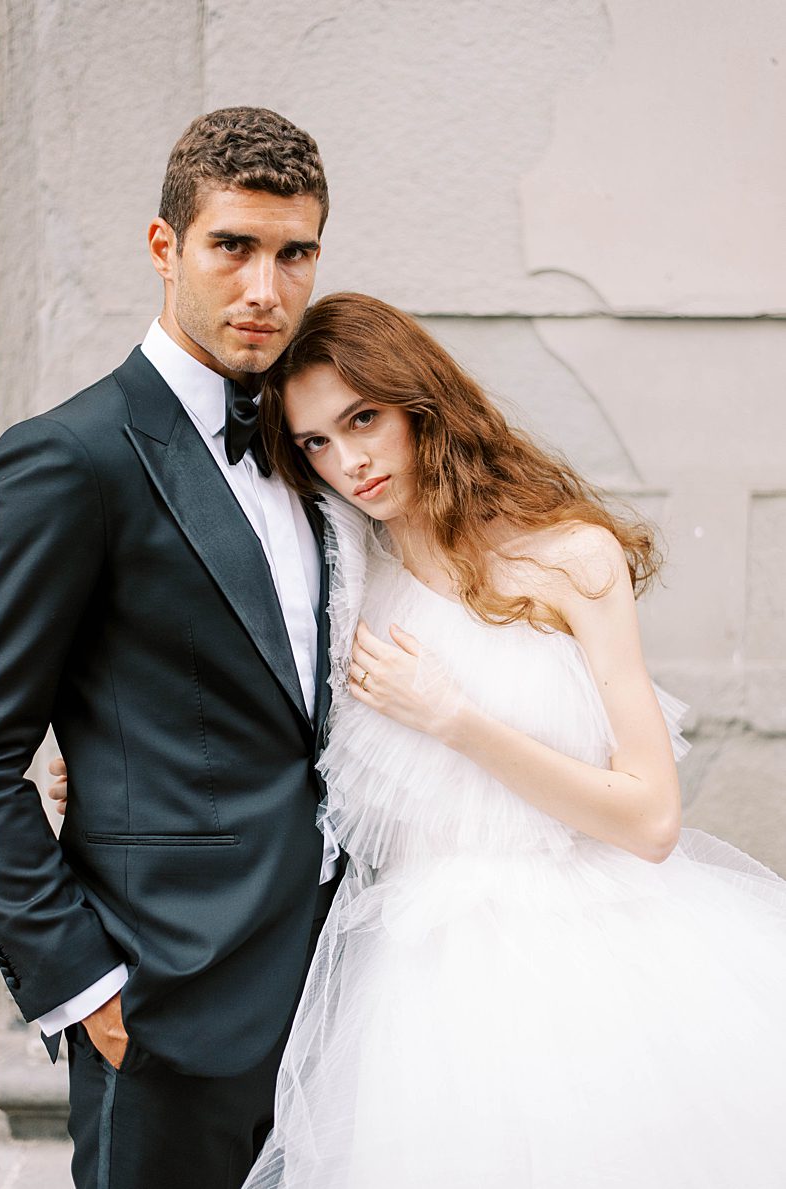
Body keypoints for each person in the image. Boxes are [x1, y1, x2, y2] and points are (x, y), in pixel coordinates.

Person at [235, 292, 786, 1187]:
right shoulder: (344, 584)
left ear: (419, 401)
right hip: (417, 994)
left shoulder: (572, 559)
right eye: (317, 444)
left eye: (364, 418)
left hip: (592, 966)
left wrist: (457, 720)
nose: (351, 461)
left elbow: (651, 819)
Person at [0, 107, 338, 1188]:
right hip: (164, 1004)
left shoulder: (321, 447)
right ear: (165, 247)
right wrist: (82, 982)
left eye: (294, 254)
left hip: (336, 1000)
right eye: (232, 246)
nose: (264, 289)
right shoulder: (69, 458)